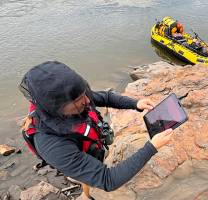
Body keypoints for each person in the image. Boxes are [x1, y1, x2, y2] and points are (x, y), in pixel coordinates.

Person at [19, 61, 174, 199]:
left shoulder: (73, 97)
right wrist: (152, 147)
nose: (87, 101)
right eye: (79, 101)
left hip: (90, 146)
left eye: (84, 94)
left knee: (91, 168)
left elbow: (105, 97)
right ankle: (86, 195)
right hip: (77, 153)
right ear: (57, 108)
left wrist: (136, 104)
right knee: (86, 179)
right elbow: (108, 180)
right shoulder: (52, 145)